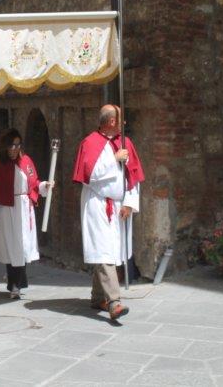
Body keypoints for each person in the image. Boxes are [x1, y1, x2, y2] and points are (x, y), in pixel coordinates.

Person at [72, 104, 144, 320]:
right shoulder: (90, 142)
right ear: (112, 121)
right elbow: (90, 174)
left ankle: (97, 298)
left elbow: (133, 176)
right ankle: (114, 302)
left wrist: (129, 202)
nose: (124, 122)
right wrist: (114, 160)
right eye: (121, 119)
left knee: (108, 251)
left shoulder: (126, 143)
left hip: (119, 206)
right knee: (104, 251)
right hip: (97, 204)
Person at [0, 128, 54, 299]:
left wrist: (45, 185)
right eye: (12, 145)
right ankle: (15, 283)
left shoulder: (26, 161)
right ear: (5, 146)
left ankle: (17, 283)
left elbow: (34, 183)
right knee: (12, 247)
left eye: (18, 145)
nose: (15, 148)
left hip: (24, 208)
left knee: (23, 247)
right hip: (7, 209)